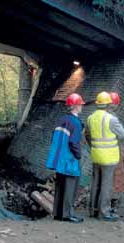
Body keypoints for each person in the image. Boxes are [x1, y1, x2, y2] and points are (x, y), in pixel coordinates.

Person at [46, 93, 85, 223]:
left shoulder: (61, 120)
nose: (81, 107)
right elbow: (74, 142)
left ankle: (57, 213)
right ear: (75, 106)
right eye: (80, 104)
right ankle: (67, 215)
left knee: (60, 185)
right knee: (70, 187)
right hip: (69, 159)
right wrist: (78, 155)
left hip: (59, 159)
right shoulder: (76, 123)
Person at [86, 91, 124, 221]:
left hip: (96, 155)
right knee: (106, 185)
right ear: (109, 104)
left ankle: (93, 210)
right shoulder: (111, 119)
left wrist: (95, 146)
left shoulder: (90, 118)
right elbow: (122, 135)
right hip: (109, 157)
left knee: (95, 183)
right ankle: (104, 212)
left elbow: (87, 135)